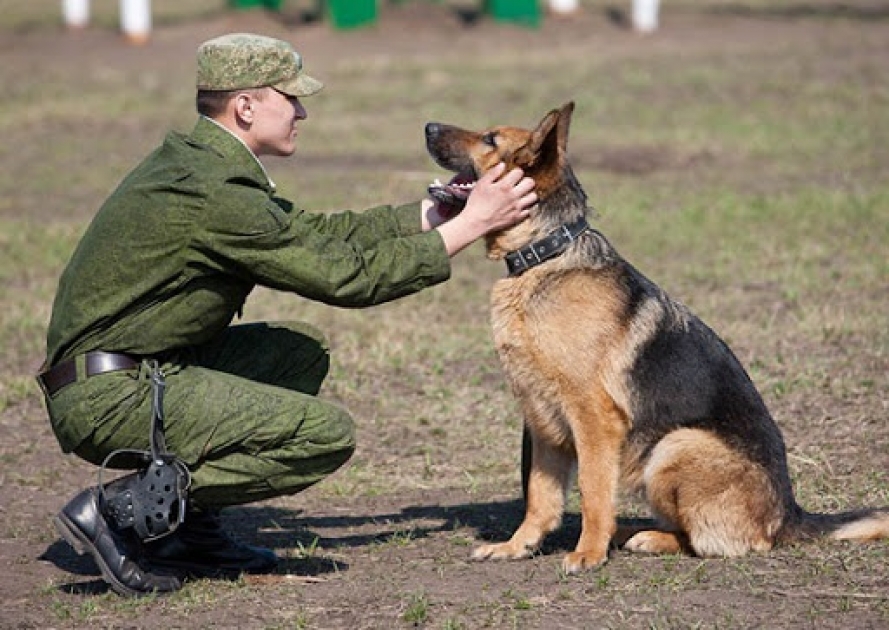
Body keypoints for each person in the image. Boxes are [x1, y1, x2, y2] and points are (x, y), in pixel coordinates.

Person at [37, 32, 537, 597]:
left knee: (296, 353)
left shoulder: (206, 166)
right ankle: (119, 511)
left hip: (131, 371)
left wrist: (437, 211)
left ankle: (184, 532)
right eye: (290, 97)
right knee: (323, 436)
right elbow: (344, 278)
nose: (301, 110)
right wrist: (470, 227)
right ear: (246, 106)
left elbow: (316, 237)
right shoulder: (216, 190)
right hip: (109, 396)